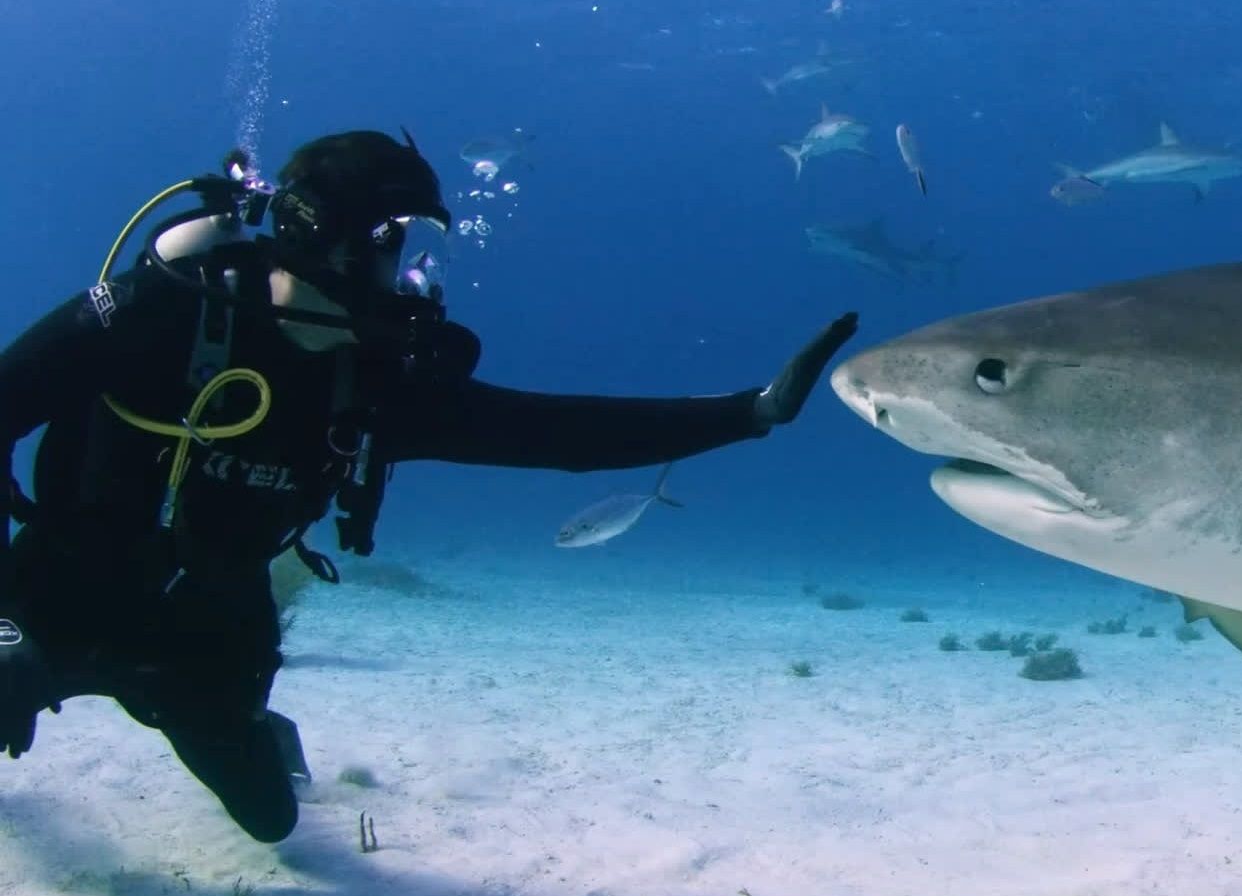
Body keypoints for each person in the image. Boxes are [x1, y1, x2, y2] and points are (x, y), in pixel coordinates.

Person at [0, 129, 858, 843]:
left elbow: (558, 434)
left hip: (202, 631)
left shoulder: (374, 384)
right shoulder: (158, 314)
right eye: (397, 243)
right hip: (48, 605)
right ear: (343, 240)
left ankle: (240, 725)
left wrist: (748, 413)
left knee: (270, 821)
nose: (408, 272)